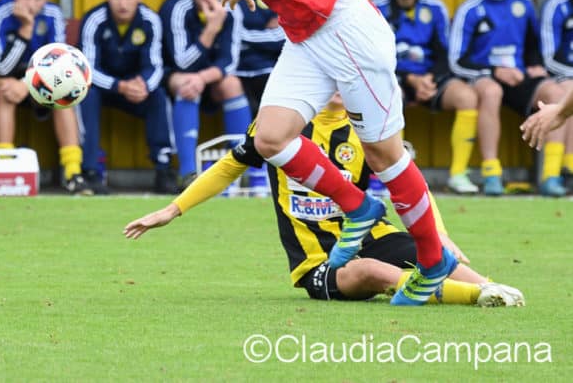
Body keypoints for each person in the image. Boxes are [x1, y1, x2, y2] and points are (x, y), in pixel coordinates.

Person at [74, 0, 458, 306]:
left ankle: (433, 262)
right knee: (271, 139)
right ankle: (358, 206)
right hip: (306, 36)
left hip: (345, 28)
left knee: (384, 156)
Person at [124, 93, 525, 308]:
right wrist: (173, 209)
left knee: (436, 255)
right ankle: (475, 298)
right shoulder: (280, 126)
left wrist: (440, 233)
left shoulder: (368, 131)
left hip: (371, 234)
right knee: (371, 272)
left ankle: (495, 290)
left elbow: (409, 183)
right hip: (316, 260)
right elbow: (231, 165)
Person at [449, 0, 570, 197]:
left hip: (518, 76)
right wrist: (494, 70)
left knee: (557, 93)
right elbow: (457, 61)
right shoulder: (469, 9)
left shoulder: (523, 4)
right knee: (491, 91)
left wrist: (535, 65)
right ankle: (492, 173)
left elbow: (533, 45)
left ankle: (551, 176)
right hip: (485, 77)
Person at [372, 0, 484, 195]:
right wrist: (409, 78)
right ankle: (393, 176)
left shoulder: (436, 8)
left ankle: (458, 174)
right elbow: (375, 57)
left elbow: (445, 54)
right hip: (395, 80)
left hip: (429, 79)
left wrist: (430, 79)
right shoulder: (376, 7)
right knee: (388, 93)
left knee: (467, 96)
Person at [0, 0, 89, 194]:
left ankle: (73, 173)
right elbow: (0, 68)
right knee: (5, 88)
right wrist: (26, 29)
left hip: (41, 79)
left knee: (63, 95)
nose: (31, 4)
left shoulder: (53, 14)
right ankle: (4, 167)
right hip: (3, 78)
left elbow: (62, 62)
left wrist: (27, 83)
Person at [159, 0, 252, 185]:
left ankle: (243, 169)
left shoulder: (232, 7)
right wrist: (211, 29)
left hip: (209, 77)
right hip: (174, 77)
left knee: (232, 83)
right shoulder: (177, 7)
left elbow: (230, 61)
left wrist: (202, 77)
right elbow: (182, 63)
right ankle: (188, 172)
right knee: (186, 83)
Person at [78, 0, 175, 194]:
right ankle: (90, 172)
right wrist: (118, 86)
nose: (123, 3)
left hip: (136, 89)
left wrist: (144, 86)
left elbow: (155, 66)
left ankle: (163, 169)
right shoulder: (94, 19)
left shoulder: (150, 20)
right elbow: (87, 69)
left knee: (158, 95)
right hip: (102, 87)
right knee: (85, 95)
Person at [538, 0, 573, 189]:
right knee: (567, 91)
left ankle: (569, 166)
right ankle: (551, 174)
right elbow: (548, 57)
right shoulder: (556, 5)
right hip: (558, 75)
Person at [233, 0, 285, 117]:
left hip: (268, 68)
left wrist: (239, 36)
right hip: (235, 70)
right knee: (230, 86)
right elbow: (226, 32)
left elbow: (282, 37)